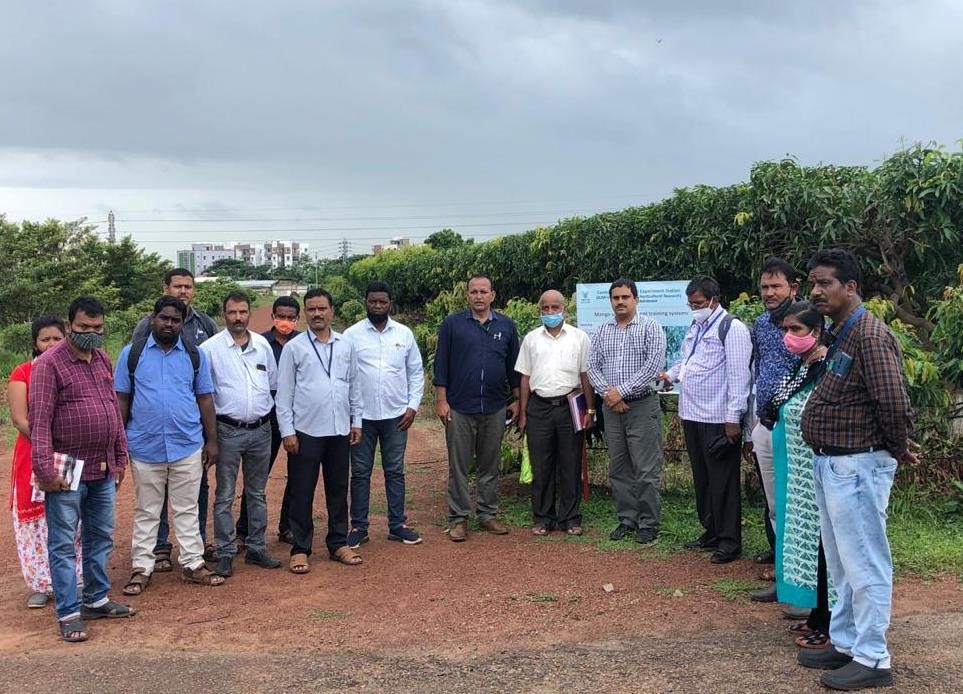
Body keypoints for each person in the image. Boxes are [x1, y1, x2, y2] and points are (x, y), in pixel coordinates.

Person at [798, 248, 913, 691]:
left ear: (851, 287)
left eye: (825, 283)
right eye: (813, 283)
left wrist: (897, 450)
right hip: (834, 463)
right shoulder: (842, 332)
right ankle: (845, 642)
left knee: (865, 561)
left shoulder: (868, 334)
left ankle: (873, 657)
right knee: (844, 563)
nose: (816, 291)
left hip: (858, 465)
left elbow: (892, 401)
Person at [29, 297, 135, 642]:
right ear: (69, 325)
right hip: (66, 469)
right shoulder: (49, 364)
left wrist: (120, 457)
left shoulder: (102, 358)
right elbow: (40, 422)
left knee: (99, 536)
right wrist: (45, 471)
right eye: (84, 328)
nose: (92, 333)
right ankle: (69, 612)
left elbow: (112, 411)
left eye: (98, 328)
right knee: (62, 543)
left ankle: (96, 598)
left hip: (102, 466)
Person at [115, 297, 224, 595]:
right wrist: (119, 441)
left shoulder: (194, 355)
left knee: (188, 508)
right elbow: (122, 398)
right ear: (153, 318)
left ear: (182, 322)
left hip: (186, 445)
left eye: (175, 320)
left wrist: (212, 441)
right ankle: (142, 568)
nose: (169, 324)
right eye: (164, 318)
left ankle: (192, 564)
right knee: (148, 511)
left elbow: (205, 399)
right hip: (144, 446)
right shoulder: (132, 354)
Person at [661, 275, 753, 564]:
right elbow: (685, 361)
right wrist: (670, 375)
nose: (694, 308)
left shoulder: (732, 328)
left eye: (698, 303)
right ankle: (711, 529)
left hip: (718, 418)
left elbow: (740, 377)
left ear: (715, 300)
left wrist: (732, 420)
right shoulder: (697, 325)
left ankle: (729, 540)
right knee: (702, 478)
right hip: (692, 414)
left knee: (723, 480)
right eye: (691, 304)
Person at [133, 268, 219, 572]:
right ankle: (158, 548)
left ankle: (194, 549)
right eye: (177, 286)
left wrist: (212, 438)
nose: (183, 291)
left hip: (187, 436)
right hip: (148, 439)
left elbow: (206, 390)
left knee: (195, 494)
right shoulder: (142, 334)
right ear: (166, 288)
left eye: (188, 286)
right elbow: (127, 389)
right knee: (151, 502)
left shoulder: (204, 326)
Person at [760, 301, 832, 650]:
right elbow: (777, 405)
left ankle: (828, 621)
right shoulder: (803, 365)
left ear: (816, 332)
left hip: (815, 470)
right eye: (786, 330)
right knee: (805, 541)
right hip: (797, 472)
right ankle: (818, 614)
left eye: (796, 330)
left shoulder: (825, 365)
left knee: (823, 548)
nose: (789, 337)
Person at [276, 288, 363, 573]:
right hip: (305, 431)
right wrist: (287, 431)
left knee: (338, 489)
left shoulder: (345, 345)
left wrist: (356, 421)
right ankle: (301, 548)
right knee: (302, 491)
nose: (317, 314)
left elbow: (354, 386)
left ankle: (338, 543)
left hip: (339, 430)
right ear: (305, 314)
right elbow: (284, 394)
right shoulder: (294, 348)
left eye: (322, 308)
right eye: (311, 309)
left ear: (331, 311)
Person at [434, 274, 520, 542]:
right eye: (474, 292)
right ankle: (458, 518)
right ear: (467, 295)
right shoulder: (453, 324)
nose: (479, 296)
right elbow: (441, 365)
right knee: (459, 466)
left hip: (495, 407)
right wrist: (441, 400)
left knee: (489, 465)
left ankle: (487, 515)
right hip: (459, 407)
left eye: (484, 291)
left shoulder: (506, 326)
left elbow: (513, 366)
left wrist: (516, 399)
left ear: (493, 295)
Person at [200, 291, 281, 577]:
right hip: (227, 431)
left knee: (257, 492)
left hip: (261, 430)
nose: (238, 318)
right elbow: (204, 394)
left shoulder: (262, 346)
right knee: (224, 495)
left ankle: (257, 547)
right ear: (224, 315)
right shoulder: (210, 349)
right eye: (232, 312)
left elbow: (272, 384)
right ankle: (225, 551)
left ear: (249, 313)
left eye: (242, 312)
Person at [7, 315, 83, 609]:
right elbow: (19, 418)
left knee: (70, 516)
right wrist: (46, 443)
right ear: (35, 344)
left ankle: (75, 579)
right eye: (44, 339)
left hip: (70, 453)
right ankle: (41, 583)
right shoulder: (23, 372)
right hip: (33, 454)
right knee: (35, 519)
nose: (51, 344)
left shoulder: (74, 369)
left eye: (56, 338)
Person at [344, 282, 425, 547]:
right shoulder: (352, 335)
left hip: (396, 416)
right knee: (360, 472)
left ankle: (397, 524)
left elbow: (415, 372)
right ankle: (358, 526)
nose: (378, 306)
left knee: (395, 470)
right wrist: (351, 414)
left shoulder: (404, 334)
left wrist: (412, 406)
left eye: (383, 302)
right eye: (373, 301)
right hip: (362, 418)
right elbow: (344, 376)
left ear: (390, 303)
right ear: (365, 302)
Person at [587, 279, 667, 544]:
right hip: (612, 409)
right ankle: (627, 519)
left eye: (625, 297)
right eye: (615, 297)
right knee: (619, 467)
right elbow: (592, 367)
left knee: (645, 468)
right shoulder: (601, 331)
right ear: (610, 300)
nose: (620, 302)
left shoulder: (650, 328)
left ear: (636, 299)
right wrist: (610, 396)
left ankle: (648, 523)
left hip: (642, 405)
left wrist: (620, 391)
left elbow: (652, 366)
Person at [516, 289, 593, 536]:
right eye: (545, 308)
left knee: (570, 463)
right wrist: (524, 413)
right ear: (539, 310)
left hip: (569, 405)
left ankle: (570, 518)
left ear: (564, 310)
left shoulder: (580, 338)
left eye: (554, 308)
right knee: (542, 464)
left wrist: (590, 409)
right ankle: (543, 517)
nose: (550, 312)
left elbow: (585, 376)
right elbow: (525, 378)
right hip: (539, 407)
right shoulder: (531, 339)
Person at [747, 258, 801, 602]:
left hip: (796, 424)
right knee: (774, 504)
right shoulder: (761, 324)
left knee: (797, 503)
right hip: (765, 422)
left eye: (776, 286)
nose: (769, 293)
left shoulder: (808, 321)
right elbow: (758, 366)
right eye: (765, 287)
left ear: (792, 288)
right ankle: (784, 578)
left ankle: (803, 581)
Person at [236, 295, 301, 546]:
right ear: (273, 316)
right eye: (281, 316)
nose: (285, 321)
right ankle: (244, 531)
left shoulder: (303, 343)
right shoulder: (260, 344)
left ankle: (288, 527)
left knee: (297, 478)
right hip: (267, 421)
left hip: (299, 421)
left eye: (291, 317)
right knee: (257, 479)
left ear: (298, 318)